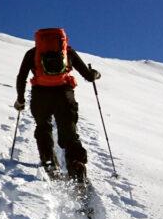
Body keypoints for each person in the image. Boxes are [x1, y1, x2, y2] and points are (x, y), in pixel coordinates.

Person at [14, 28, 100, 182]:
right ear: (62, 39)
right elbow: (88, 75)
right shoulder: (67, 52)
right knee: (69, 133)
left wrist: (20, 99)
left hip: (40, 95)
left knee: (43, 127)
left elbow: (21, 77)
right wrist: (95, 73)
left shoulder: (32, 53)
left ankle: (49, 162)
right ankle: (76, 164)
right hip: (64, 95)